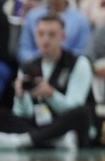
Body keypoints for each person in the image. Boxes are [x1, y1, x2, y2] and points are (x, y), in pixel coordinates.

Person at [0, 15, 92, 150]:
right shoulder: (27, 66)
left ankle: (25, 140)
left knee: (81, 113)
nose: (45, 39)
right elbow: (22, 114)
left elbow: (74, 106)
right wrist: (20, 97)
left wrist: (51, 95)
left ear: (63, 37)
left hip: (65, 123)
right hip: (40, 123)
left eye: (52, 34)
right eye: (41, 34)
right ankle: (52, 141)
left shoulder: (79, 63)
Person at [19, 0, 92, 64]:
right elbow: (24, 49)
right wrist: (38, 62)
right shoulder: (32, 17)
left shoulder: (81, 19)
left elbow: (82, 50)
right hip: (36, 66)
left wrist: (61, 61)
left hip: (69, 67)